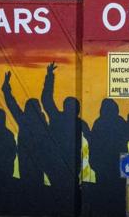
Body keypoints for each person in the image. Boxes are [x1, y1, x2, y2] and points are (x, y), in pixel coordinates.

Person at [41, 62, 89, 215]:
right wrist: (49, 76)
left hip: (64, 163)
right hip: (61, 162)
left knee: (62, 193)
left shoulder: (60, 118)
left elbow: (46, 100)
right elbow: (46, 99)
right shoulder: (68, 120)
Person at [88, 99, 129, 215]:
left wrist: (94, 163)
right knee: (119, 192)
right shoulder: (119, 121)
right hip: (119, 164)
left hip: (103, 165)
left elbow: (93, 144)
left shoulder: (99, 123)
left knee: (103, 191)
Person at [2, 71, 49, 187]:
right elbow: (11, 104)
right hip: (36, 156)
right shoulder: (41, 121)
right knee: (36, 183)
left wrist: (6, 87)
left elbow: (11, 104)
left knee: (28, 183)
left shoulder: (24, 119)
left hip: (28, 156)